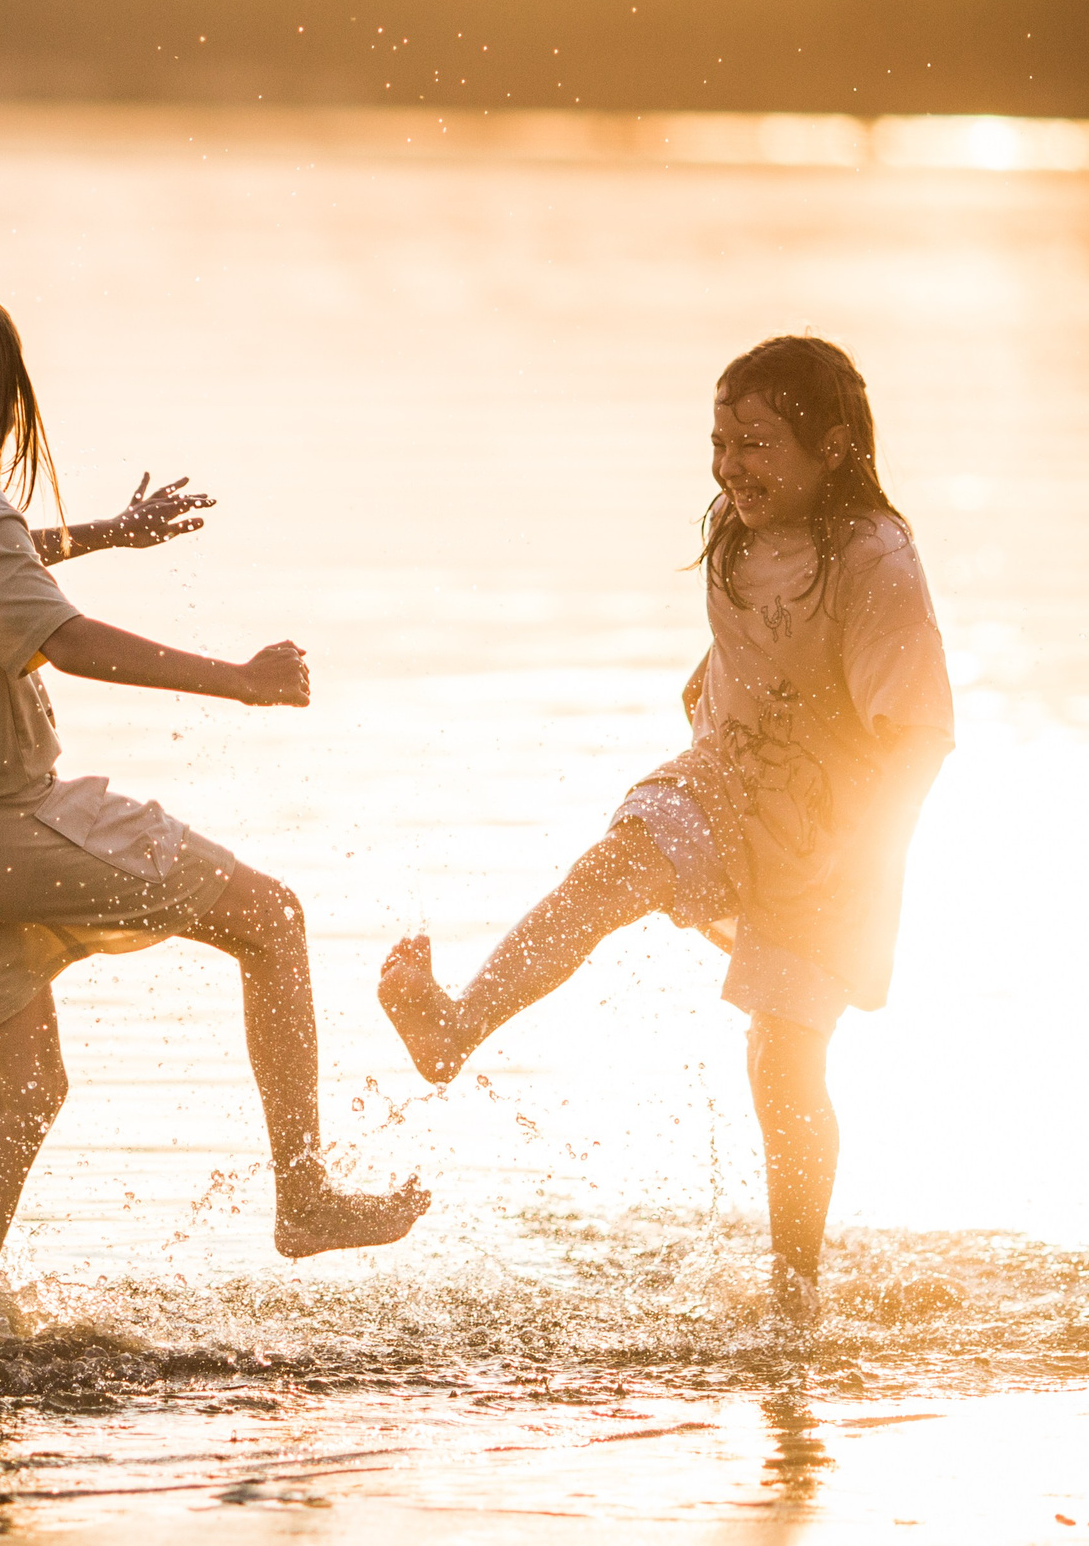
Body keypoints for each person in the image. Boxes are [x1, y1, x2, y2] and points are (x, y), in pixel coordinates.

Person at [0, 281, 427, 1323]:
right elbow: (64, 638)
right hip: (7, 824)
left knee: (27, 1093)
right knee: (272, 920)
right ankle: (303, 1194)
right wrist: (239, 679)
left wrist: (104, 532)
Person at [377, 335, 952, 1324]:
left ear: (838, 448)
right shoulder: (733, 533)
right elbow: (750, 648)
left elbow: (917, 737)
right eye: (721, 441)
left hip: (838, 838)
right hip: (726, 783)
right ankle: (453, 1028)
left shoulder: (873, 558)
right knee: (606, 873)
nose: (733, 467)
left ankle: (794, 1297)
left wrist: (863, 864)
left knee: (781, 1064)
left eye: (759, 443)